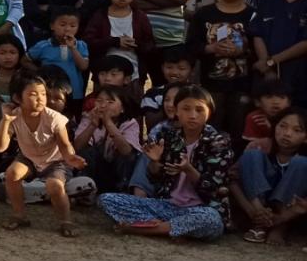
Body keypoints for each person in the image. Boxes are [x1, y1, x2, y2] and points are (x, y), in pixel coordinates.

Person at [100, 86, 233, 241]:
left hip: (202, 208)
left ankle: (147, 228)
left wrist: (189, 170)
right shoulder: (169, 137)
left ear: (209, 112)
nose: (192, 115)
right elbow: (157, 181)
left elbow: (215, 188)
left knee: (211, 220)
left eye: (199, 110)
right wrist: (155, 163)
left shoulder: (218, 142)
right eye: (186, 109)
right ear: (176, 111)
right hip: (168, 206)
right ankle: (174, 228)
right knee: (106, 199)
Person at [0, 74, 85, 236]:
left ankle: (66, 221)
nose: (40, 99)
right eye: (33, 94)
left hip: (55, 161)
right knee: (12, 174)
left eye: (43, 94)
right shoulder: (14, 116)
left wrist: (71, 158)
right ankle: (19, 215)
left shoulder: (54, 118)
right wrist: (5, 121)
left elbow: (65, 145)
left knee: (54, 185)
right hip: (28, 157)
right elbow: (0, 147)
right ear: (17, 98)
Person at [188, 0, 258, 137]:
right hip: (211, 85)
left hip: (243, 86)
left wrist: (242, 49)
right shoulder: (203, 14)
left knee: (239, 130)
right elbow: (190, 46)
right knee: (211, 131)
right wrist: (210, 48)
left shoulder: (254, 15)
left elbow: (261, 49)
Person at [231, 107, 306, 242]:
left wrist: (283, 217)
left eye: (297, 130)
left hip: (288, 211)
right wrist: (254, 211)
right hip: (255, 203)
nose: (287, 133)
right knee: (252, 155)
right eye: (282, 126)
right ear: (274, 126)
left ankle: (280, 227)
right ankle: (259, 223)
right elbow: (232, 180)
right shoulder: (260, 146)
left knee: (301, 163)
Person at [249, 0, 307, 105]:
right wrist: (266, 65)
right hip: (268, 76)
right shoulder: (267, 0)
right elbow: (257, 33)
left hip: (301, 74)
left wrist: (272, 61)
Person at [82, 0, 156, 85]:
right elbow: (88, 42)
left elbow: (150, 45)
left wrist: (135, 44)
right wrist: (115, 42)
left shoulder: (139, 16)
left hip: (134, 76)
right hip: (104, 77)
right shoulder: (100, 16)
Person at [73, 86, 142, 195]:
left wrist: (108, 123)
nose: (103, 105)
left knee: (129, 156)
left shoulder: (130, 123)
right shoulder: (89, 117)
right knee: (86, 151)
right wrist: (92, 125)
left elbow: (127, 152)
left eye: (110, 102)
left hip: (117, 172)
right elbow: (77, 147)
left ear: (122, 108)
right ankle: (86, 189)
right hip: (96, 170)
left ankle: (122, 191)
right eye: (99, 101)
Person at [26, 9, 90, 115]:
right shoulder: (43, 46)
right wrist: (39, 71)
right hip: (49, 93)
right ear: (52, 26)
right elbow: (25, 60)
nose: (67, 29)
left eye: (73, 26)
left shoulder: (80, 45)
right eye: (62, 25)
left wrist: (73, 48)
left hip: (74, 92)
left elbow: (83, 66)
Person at [140, 47, 197, 119]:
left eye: (181, 68)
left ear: (192, 71)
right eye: (169, 67)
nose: (174, 72)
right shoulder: (153, 94)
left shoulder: (197, 93)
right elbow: (150, 121)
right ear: (162, 68)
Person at [241, 78, 293, 154]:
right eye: (269, 97)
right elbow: (251, 146)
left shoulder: (293, 119)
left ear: (289, 103)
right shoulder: (254, 118)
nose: (276, 102)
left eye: (281, 97)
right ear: (258, 102)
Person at [0, 37, 26, 102]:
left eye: (12, 53)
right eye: (2, 53)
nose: (8, 57)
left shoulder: (26, 78)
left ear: (19, 55)